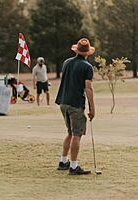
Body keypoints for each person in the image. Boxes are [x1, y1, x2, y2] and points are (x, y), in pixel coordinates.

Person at [55, 38, 95, 175]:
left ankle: (63, 161)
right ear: (88, 53)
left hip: (63, 102)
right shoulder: (87, 67)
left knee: (70, 133)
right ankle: (73, 166)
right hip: (76, 104)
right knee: (77, 134)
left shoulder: (66, 62)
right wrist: (92, 108)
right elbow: (88, 88)